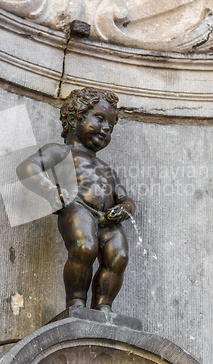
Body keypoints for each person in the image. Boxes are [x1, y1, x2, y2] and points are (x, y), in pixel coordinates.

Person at [16, 88, 135, 312]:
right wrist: (51, 191)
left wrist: (125, 208)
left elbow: (125, 197)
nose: (106, 128)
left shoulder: (106, 169)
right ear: (74, 118)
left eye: (111, 125)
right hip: (77, 207)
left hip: (109, 219)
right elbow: (27, 167)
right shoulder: (61, 152)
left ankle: (103, 308)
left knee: (118, 257)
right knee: (84, 248)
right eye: (99, 119)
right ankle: (76, 303)